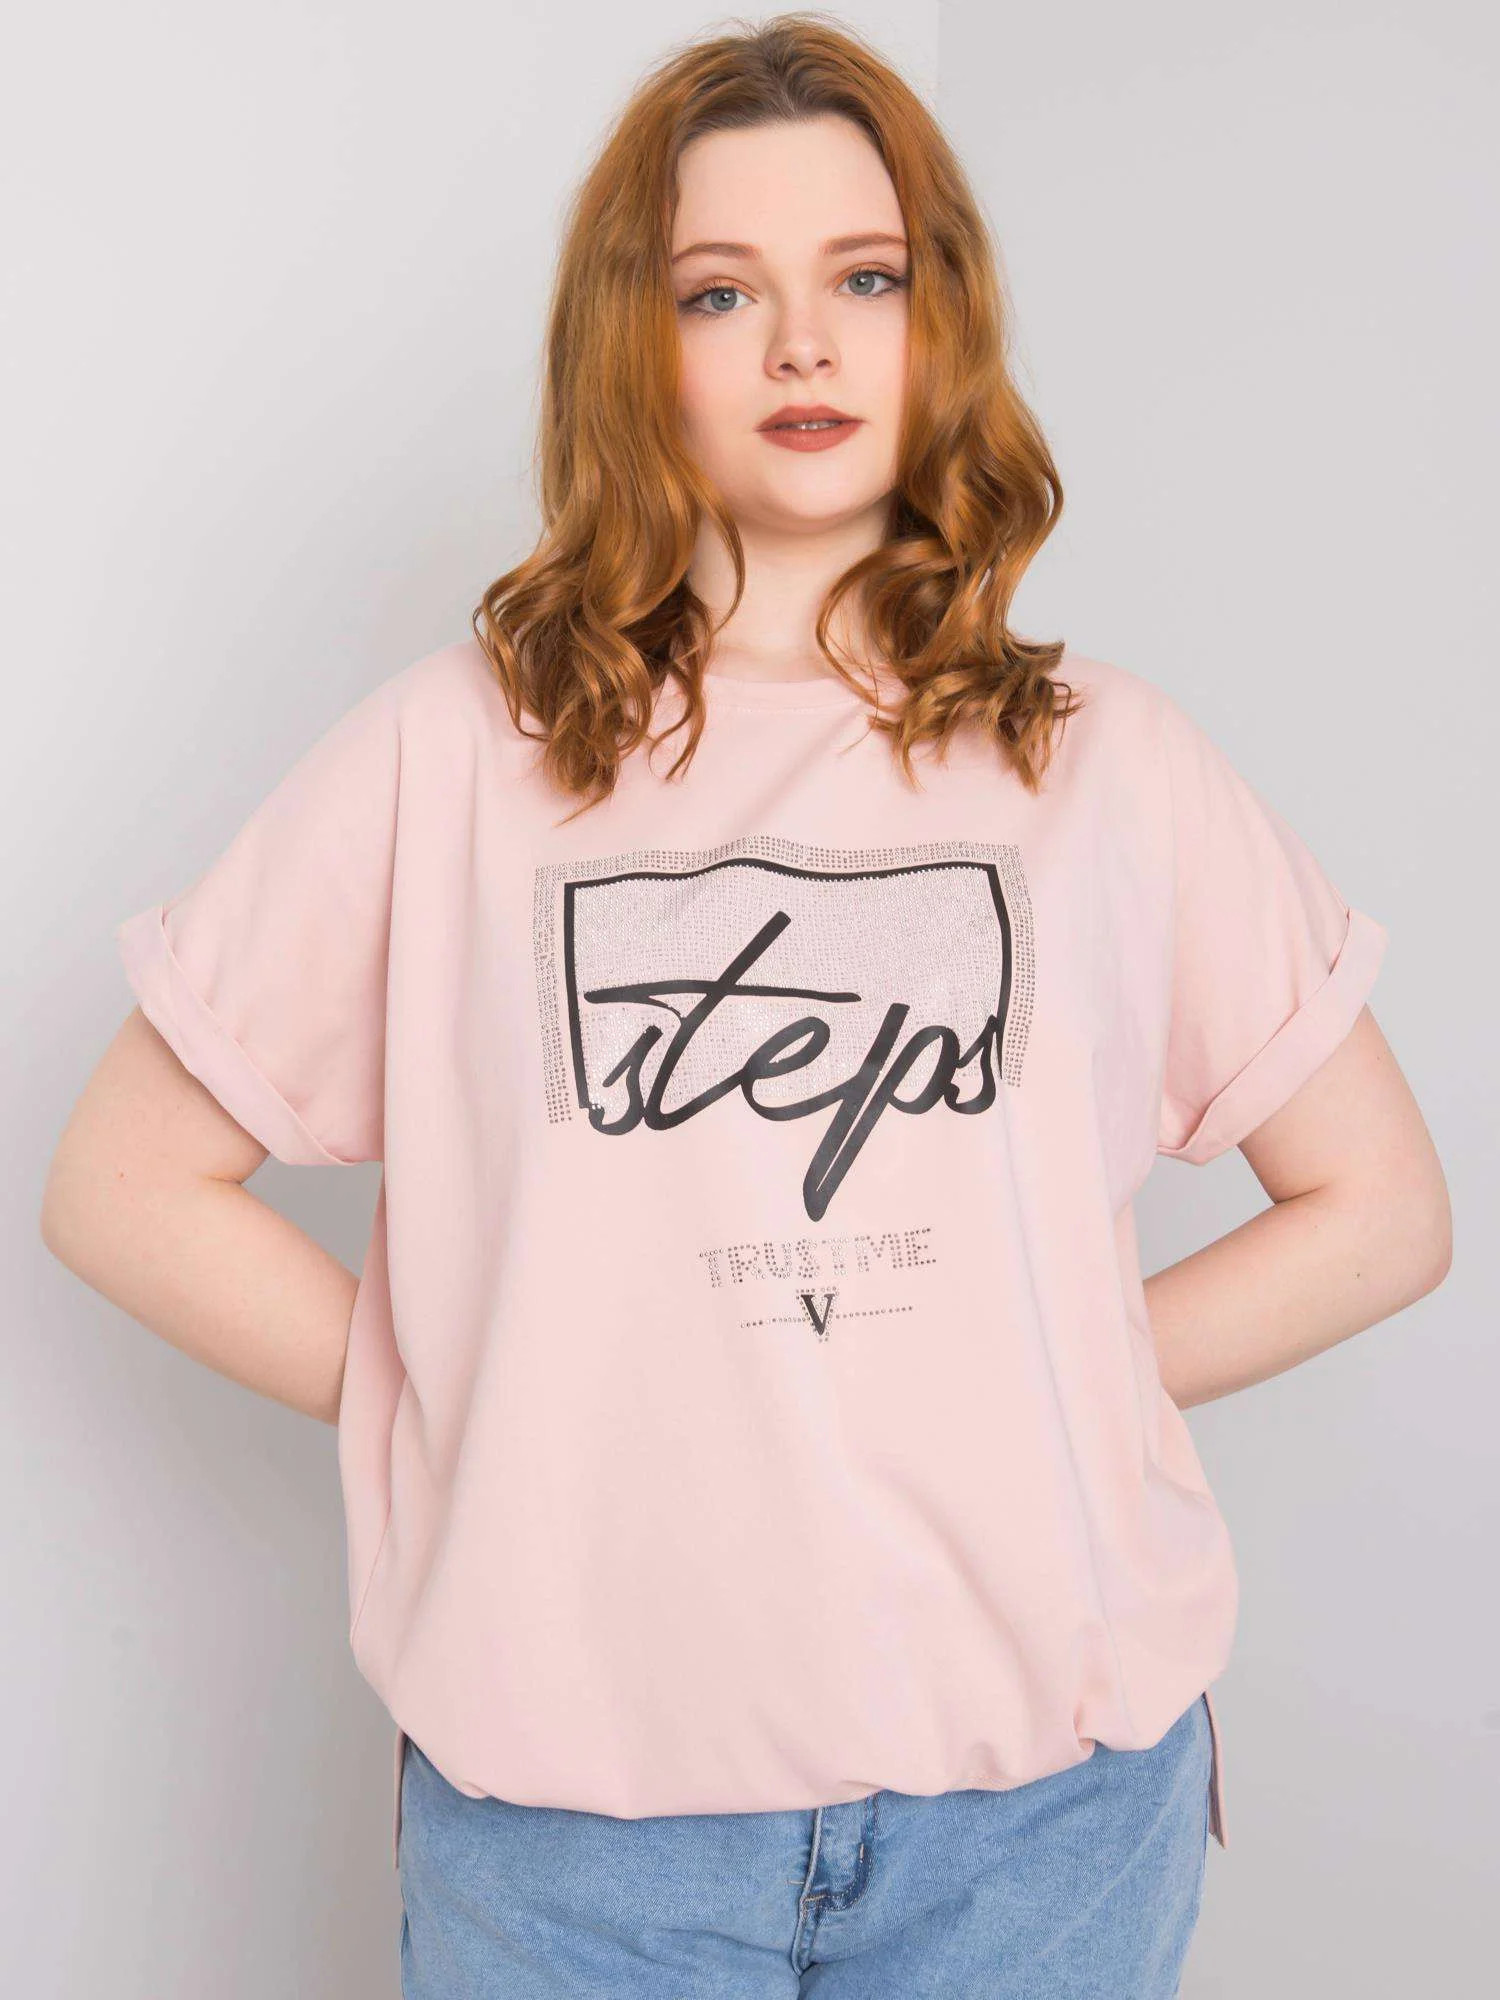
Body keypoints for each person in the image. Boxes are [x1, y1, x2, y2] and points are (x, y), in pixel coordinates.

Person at [42, 14, 1451, 1997]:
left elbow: (1383, 1211)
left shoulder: (1104, 763)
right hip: (573, 1833)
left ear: (940, 321)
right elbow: (121, 1185)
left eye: (866, 279)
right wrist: (461, 1387)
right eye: (722, 292)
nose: (804, 344)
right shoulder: (455, 755)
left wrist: (1051, 1362)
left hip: (1041, 1817)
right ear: (636, 346)